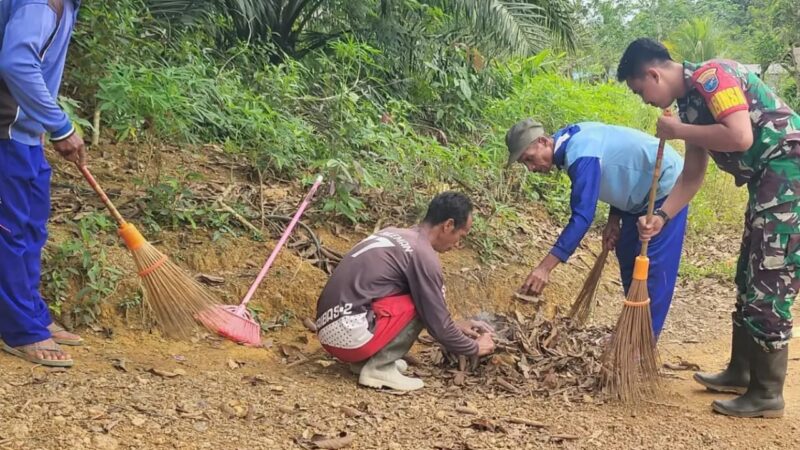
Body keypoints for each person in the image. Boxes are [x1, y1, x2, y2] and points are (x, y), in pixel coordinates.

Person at [617, 37, 800, 418]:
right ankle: (742, 370)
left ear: (653, 73)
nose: (645, 101)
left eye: (640, 91)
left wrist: (679, 131)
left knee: (770, 276)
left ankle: (767, 393)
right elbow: (692, 176)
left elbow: (739, 135)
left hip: (789, 172)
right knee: (748, 275)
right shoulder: (689, 104)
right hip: (769, 180)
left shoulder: (712, 77)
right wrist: (661, 216)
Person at [507, 119, 687, 338]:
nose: (531, 168)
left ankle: (643, 344)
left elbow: (582, 217)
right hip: (637, 193)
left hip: (666, 188)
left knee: (653, 270)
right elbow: (617, 166)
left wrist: (545, 268)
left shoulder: (580, 153)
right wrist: (614, 218)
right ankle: (633, 329)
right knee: (628, 255)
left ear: (544, 141)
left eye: (529, 159)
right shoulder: (569, 137)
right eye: (525, 164)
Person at [315, 192, 496, 391]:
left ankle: (364, 362)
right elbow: (438, 325)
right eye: (461, 235)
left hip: (327, 330)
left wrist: (454, 324)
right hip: (350, 336)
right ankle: (379, 368)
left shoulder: (394, 233)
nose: (458, 244)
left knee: (421, 296)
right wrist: (475, 347)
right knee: (423, 299)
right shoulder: (423, 255)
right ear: (448, 225)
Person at [0, 0, 85, 368]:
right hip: (5, 131)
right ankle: (20, 331)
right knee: (10, 230)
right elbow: (17, 61)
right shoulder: (41, 1)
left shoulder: (65, 4)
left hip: (25, 134)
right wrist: (60, 124)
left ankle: (32, 314)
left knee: (32, 226)